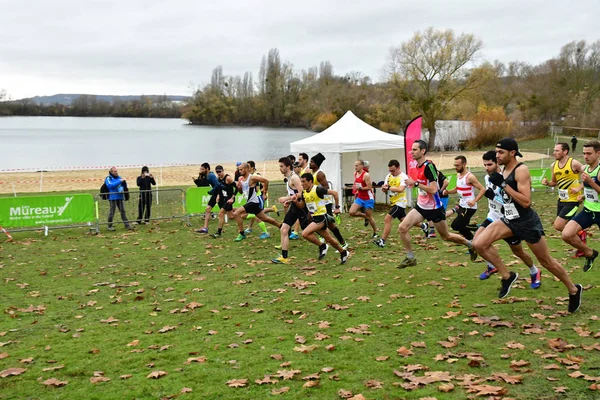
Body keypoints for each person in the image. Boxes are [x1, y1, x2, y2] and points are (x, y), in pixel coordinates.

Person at [472, 138, 582, 312]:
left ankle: (573, 289)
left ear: (512, 153)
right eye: (496, 152)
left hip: (526, 222)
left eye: (501, 152)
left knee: (546, 261)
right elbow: (505, 198)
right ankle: (507, 276)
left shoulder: (521, 170)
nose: (497, 155)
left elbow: (525, 202)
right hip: (509, 220)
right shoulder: (503, 169)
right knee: (479, 243)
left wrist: (503, 184)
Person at [398, 140, 477, 268]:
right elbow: (420, 185)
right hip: (421, 206)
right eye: (411, 149)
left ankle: (470, 245)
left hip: (435, 208)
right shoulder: (416, 167)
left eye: (415, 149)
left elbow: (434, 189)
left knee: (446, 236)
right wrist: (412, 184)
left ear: (423, 151)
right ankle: (410, 257)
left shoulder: (429, 166)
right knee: (402, 228)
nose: (411, 152)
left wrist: (416, 183)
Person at [475, 151, 541, 289]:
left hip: (507, 219)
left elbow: (510, 201)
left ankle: (534, 270)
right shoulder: (488, 178)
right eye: (484, 165)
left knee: (518, 251)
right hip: (492, 216)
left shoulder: (505, 178)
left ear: (497, 163)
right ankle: (493, 266)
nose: (487, 168)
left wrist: (494, 197)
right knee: (478, 243)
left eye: (490, 164)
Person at [293, 173, 349, 264]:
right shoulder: (304, 193)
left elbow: (334, 193)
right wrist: (295, 202)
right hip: (314, 218)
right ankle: (343, 252)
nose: (302, 184)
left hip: (321, 218)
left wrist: (337, 207)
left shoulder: (318, 189)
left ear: (310, 181)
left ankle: (322, 246)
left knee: (305, 233)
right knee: (329, 239)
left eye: (303, 182)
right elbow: (302, 205)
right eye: (301, 182)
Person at [561, 140, 600, 272]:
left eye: (589, 153)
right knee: (566, 234)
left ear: (598, 153)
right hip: (588, 211)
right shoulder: (585, 168)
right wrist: (583, 195)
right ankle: (590, 253)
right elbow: (589, 188)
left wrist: (591, 182)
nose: (586, 156)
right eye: (584, 153)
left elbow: (594, 185)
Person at [541, 143, 585, 256]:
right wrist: (548, 183)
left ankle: (581, 239)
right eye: (554, 150)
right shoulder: (553, 165)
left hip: (573, 200)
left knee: (558, 226)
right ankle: (580, 236)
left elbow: (589, 174)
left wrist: (579, 188)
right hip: (561, 200)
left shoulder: (573, 163)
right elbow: (554, 183)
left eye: (557, 150)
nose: (554, 152)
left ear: (565, 151)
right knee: (567, 225)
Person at [271, 157, 309, 264]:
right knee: (284, 229)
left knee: (310, 231)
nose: (280, 168)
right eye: (279, 166)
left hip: (301, 207)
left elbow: (302, 193)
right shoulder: (289, 178)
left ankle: (326, 244)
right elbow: (294, 193)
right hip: (294, 206)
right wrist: (289, 200)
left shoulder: (294, 178)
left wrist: (286, 198)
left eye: (282, 166)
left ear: (288, 166)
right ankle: (284, 257)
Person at [232, 162, 282, 242]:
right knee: (264, 218)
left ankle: (241, 234)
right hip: (250, 202)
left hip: (253, 202)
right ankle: (281, 226)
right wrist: (239, 187)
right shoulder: (240, 179)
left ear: (246, 169)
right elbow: (241, 192)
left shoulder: (252, 178)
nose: (239, 171)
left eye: (241, 170)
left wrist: (265, 193)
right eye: (239, 170)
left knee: (236, 213)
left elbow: (266, 181)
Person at [309, 153, 348, 249]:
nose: (310, 163)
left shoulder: (320, 174)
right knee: (314, 221)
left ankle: (343, 243)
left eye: (312, 162)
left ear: (316, 164)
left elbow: (326, 187)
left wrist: (317, 192)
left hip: (325, 203)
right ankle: (324, 240)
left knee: (330, 225)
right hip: (318, 204)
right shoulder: (313, 174)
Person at [443, 156, 485, 241]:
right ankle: (472, 244)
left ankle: (478, 227)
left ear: (464, 164)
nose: (456, 167)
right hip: (462, 205)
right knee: (462, 229)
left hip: (469, 207)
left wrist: (474, 201)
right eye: (455, 165)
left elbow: (483, 189)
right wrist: (448, 192)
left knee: (456, 226)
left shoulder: (470, 177)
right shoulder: (458, 175)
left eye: (458, 165)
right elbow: (457, 189)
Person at [373, 159, 408, 248]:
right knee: (405, 222)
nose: (391, 172)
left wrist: (388, 188)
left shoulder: (403, 177)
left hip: (400, 203)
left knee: (387, 219)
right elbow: (386, 189)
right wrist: (384, 188)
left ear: (398, 167)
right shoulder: (388, 176)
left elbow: (400, 189)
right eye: (390, 170)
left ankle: (382, 241)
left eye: (393, 170)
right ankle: (424, 226)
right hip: (393, 202)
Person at [243, 160, 279, 239]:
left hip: (257, 198)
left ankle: (265, 232)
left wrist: (264, 193)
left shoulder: (255, 176)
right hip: (253, 198)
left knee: (257, 216)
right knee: (259, 214)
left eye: (247, 167)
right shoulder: (250, 176)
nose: (246, 169)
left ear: (252, 168)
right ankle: (250, 228)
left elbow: (260, 187)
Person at [348, 160, 378, 238]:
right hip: (360, 198)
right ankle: (364, 216)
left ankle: (375, 232)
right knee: (351, 212)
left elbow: (369, 187)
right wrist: (356, 191)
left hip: (368, 198)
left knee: (370, 217)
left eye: (357, 165)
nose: (355, 167)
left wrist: (360, 188)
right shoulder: (355, 174)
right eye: (355, 166)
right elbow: (356, 184)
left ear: (362, 166)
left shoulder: (366, 175)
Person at [421, 169, 449, 238]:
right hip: (433, 198)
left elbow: (446, 182)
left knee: (442, 215)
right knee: (430, 213)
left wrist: (441, 190)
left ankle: (455, 209)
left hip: (442, 197)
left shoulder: (437, 173)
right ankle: (432, 231)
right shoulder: (426, 175)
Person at [211, 166, 237, 238]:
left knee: (221, 213)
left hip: (229, 199)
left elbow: (237, 187)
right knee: (231, 216)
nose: (218, 173)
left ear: (223, 170)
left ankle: (218, 233)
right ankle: (245, 212)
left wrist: (232, 198)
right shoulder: (218, 179)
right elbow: (220, 188)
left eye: (220, 171)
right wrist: (218, 196)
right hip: (224, 199)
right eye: (217, 172)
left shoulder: (228, 178)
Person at [105, 167, 133, 231]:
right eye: (114, 171)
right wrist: (119, 181)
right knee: (112, 212)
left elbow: (123, 185)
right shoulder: (108, 178)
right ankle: (109, 226)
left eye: (116, 171)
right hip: (112, 198)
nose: (116, 172)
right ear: (111, 172)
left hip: (120, 197)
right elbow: (110, 185)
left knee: (123, 211)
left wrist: (123, 185)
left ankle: (127, 225)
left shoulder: (119, 177)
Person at [196, 163, 220, 234]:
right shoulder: (206, 175)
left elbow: (218, 185)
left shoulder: (211, 175)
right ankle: (205, 228)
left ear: (207, 169)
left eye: (203, 169)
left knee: (230, 214)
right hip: (215, 194)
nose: (201, 170)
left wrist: (212, 191)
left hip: (219, 194)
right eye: (200, 169)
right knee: (207, 209)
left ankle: (244, 212)